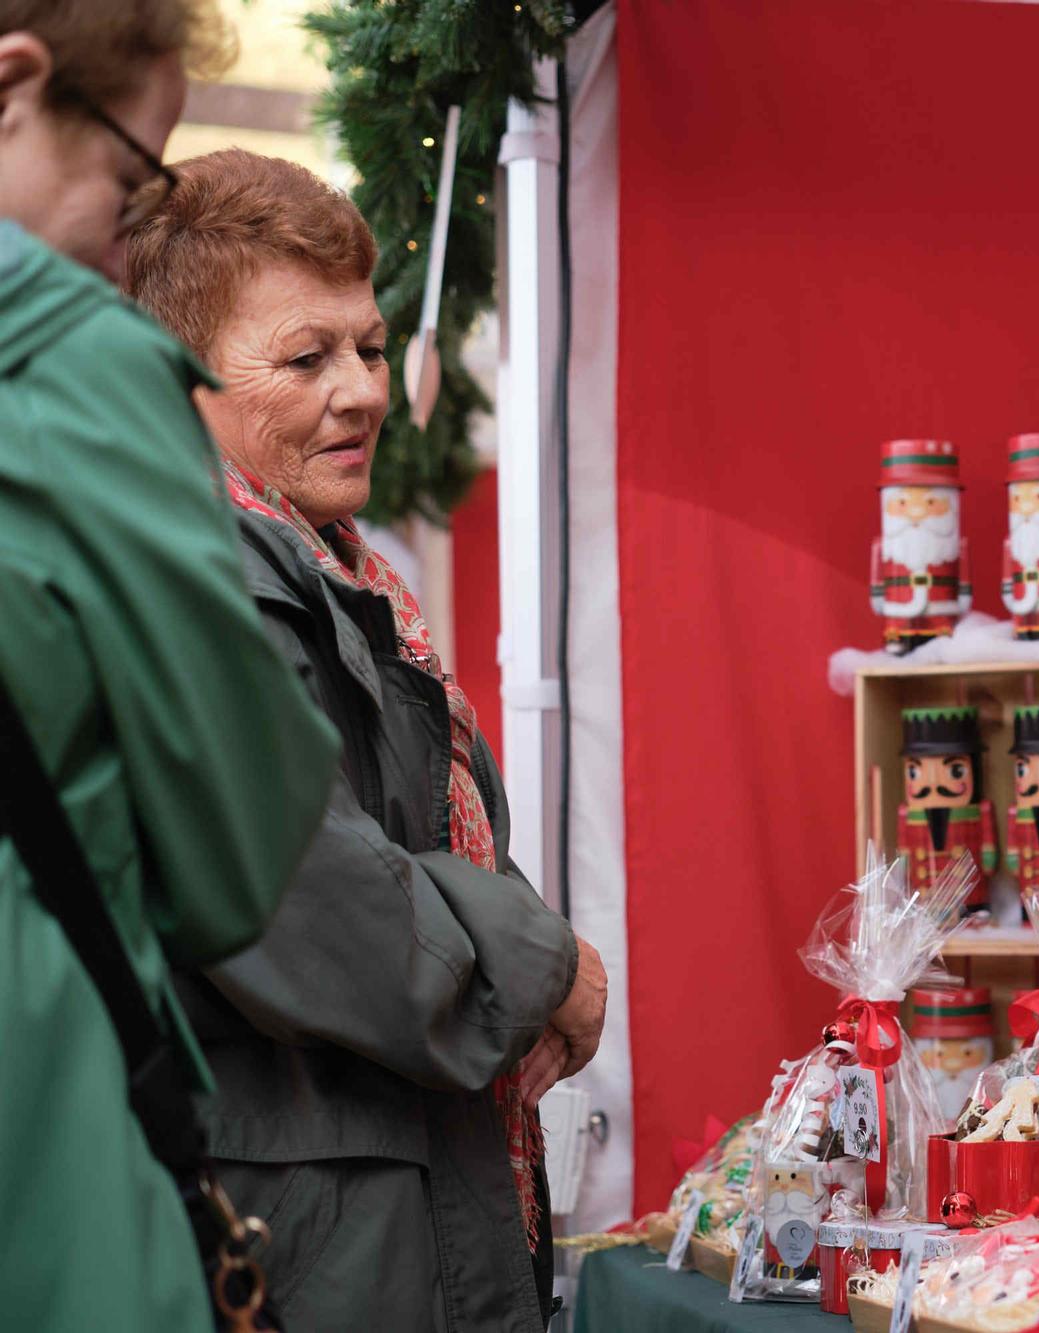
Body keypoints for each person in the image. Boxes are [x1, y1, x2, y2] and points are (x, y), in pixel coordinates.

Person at [126, 149, 608, 1332]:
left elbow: (418, 846)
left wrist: (522, 947)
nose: (362, 390)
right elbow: (314, 894)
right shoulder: (203, 582)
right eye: (306, 357)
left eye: (371, 347)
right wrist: (548, 963)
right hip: (308, 1250)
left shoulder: (349, 577)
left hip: (389, 1215)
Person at [0, 3, 342, 1328]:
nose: (128, 236)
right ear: (15, 86)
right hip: (48, 1160)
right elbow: (237, 857)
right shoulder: (76, 367)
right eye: (135, 173)